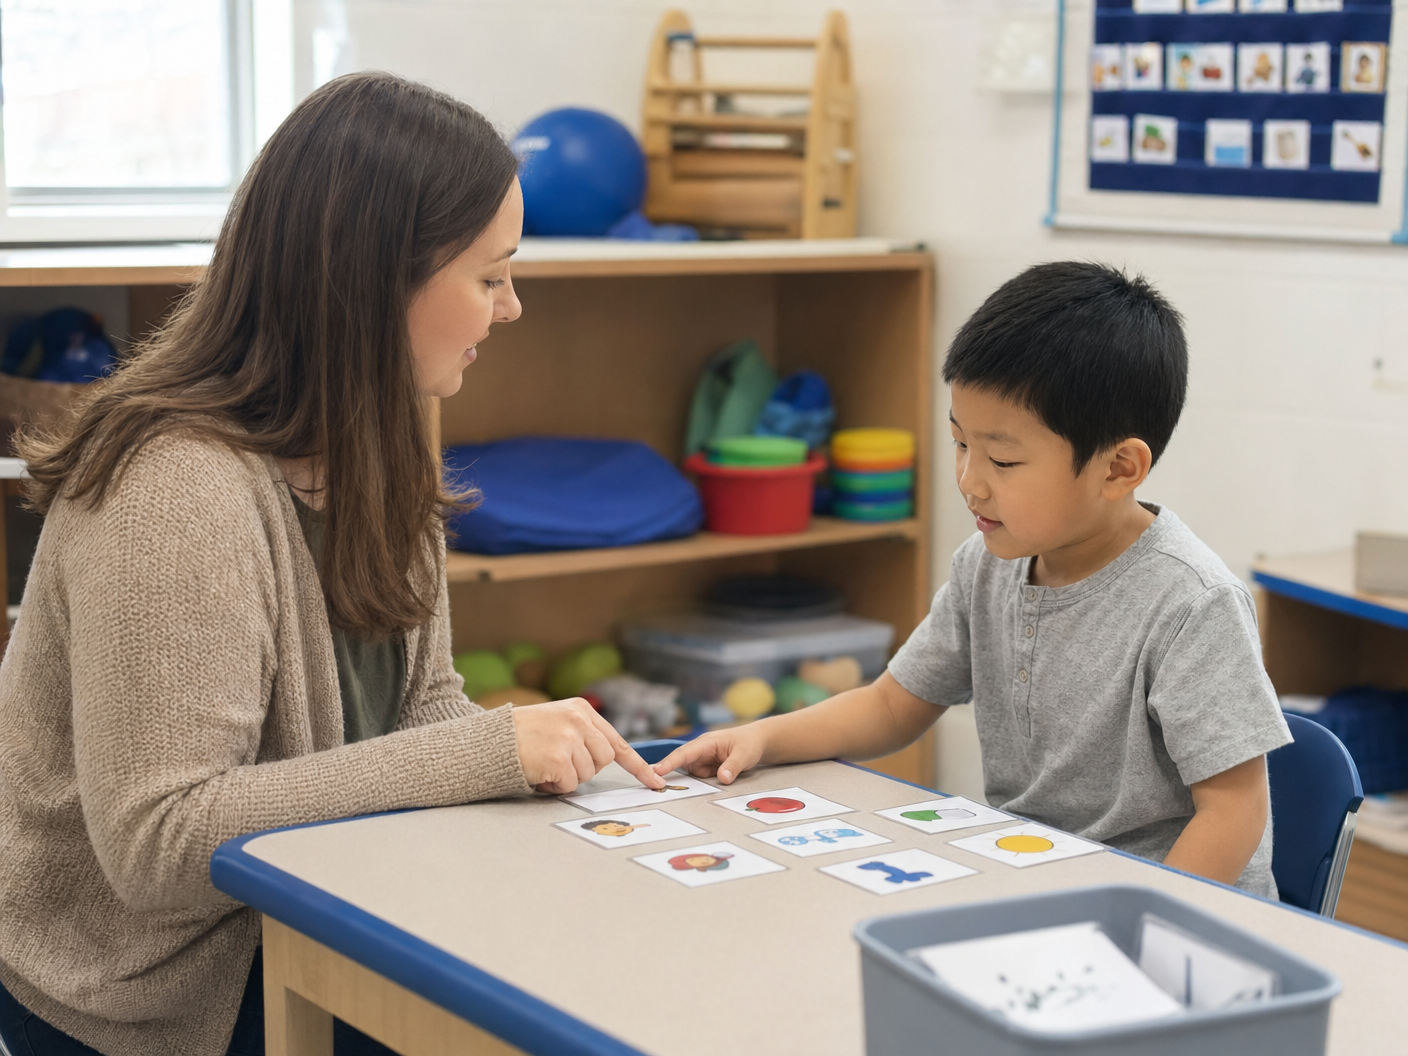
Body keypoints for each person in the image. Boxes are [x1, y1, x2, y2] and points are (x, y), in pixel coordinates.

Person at [0, 71, 662, 1056]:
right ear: (380, 280)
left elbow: (423, 708)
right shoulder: (170, 485)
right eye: (490, 276)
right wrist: (491, 751)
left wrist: (551, 783)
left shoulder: (381, 439)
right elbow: (160, 843)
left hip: (310, 904)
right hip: (151, 987)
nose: (511, 307)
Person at [655, 262, 1292, 897]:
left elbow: (1234, 812)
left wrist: (1140, 925)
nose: (969, 480)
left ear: (1119, 468)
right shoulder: (987, 563)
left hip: (1163, 910)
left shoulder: (1192, 602)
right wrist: (759, 737)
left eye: (1004, 459)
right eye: (961, 444)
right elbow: (891, 706)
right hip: (1034, 880)